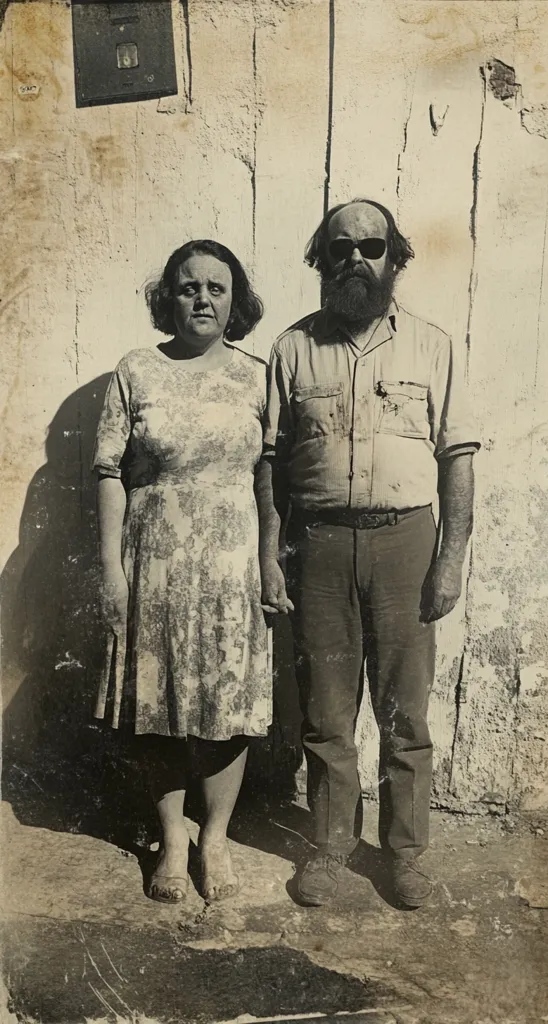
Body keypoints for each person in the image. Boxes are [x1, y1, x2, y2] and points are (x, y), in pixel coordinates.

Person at [263, 199, 480, 909]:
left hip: (405, 543)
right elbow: (271, 463)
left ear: (396, 258)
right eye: (341, 248)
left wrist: (450, 560)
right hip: (319, 545)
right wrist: (271, 553)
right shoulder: (292, 349)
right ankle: (330, 848)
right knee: (326, 712)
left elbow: (457, 459)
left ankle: (404, 856)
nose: (356, 259)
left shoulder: (433, 346)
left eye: (372, 246)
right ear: (322, 260)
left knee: (404, 715)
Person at [92, 239, 291, 905]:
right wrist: (111, 570)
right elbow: (108, 473)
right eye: (188, 287)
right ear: (167, 298)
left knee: (229, 706)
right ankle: (173, 840)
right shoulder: (136, 370)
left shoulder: (259, 377)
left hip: (233, 565)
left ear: (236, 302)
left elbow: (269, 478)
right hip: (155, 563)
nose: (202, 299)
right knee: (157, 705)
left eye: (216, 287)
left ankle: (217, 838)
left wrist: (269, 562)